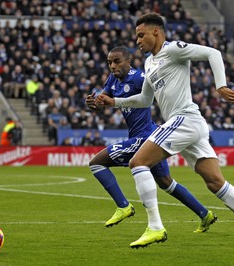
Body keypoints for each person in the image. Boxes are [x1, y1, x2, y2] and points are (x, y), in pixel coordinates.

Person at [96, 13, 234, 254]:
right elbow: (144, 100)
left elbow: (213, 53)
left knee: (138, 162)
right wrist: (114, 102)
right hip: (189, 125)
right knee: (215, 183)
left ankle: (155, 226)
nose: (138, 40)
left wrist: (220, 85)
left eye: (141, 35)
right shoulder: (150, 63)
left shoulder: (173, 50)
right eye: (136, 36)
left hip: (185, 119)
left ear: (156, 32)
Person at [86, 46, 217, 234]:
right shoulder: (113, 80)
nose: (112, 66)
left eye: (116, 61)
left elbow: (152, 94)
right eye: (109, 62)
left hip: (144, 137)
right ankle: (205, 214)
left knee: (96, 164)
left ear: (128, 61)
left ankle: (123, 206)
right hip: (147, 136)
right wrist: (94, 103)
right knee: (166, 183)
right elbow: (104, 99)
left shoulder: (139, 78)